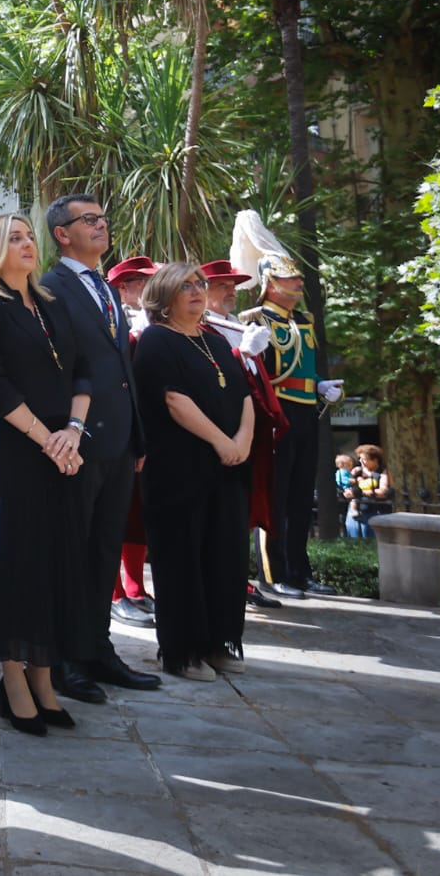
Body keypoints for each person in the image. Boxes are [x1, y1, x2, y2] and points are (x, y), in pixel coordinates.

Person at [0, 214, 91, 735]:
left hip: (62, 445)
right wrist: (48, 439)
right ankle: (12, 680)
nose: (27, 243)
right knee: (14, 560)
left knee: (52, 561)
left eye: (28, 235)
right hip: (11, 445)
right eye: (14, 238)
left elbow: (83, 372)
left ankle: (44, 677)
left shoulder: (51, 305)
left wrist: (73, 432)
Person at [40, 194, 160, 703]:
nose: (101, 225)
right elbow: (57, 367)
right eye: (88, 220)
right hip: (78, 439)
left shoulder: (107, 289)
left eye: (103, 218)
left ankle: (99, 650)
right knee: (72, 550)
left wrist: (137, 434)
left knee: (105, 548)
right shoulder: (50, 286)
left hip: (119, 440)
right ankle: (67, 659)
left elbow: (121, 367)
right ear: (62, 233)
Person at [132, 263, 255, 681]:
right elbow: (173, 400)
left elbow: (245, 397)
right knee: (183, 559)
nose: (197, 291)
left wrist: (242, 442)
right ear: (163, 298)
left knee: (225, 556)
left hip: (228, 469)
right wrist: (222, 442)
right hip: (178, 472)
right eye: (185, 286)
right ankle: (183, 652)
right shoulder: (156, 340)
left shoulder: (216, 342)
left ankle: (218, 642)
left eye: (199, 284)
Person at [232, 211, 344, 598]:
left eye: (297, 278)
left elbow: (305, 368)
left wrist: (321, 387)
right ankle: (273, 572)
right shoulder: (255, 319)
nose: (298, 284)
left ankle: (300, 570)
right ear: (269, 283)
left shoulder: (306, 320)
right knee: (275, 496)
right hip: (276, 415)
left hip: (305, 412)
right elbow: (257, 375)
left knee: (300, 496)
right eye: (290, 279)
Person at [200, 258, 284, 611]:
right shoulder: (201, 327)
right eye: (222, 285)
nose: (231, 291)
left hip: (246, 432)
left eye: (233, 285)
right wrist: (241, 354)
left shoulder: (235, 324)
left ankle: (238, 578)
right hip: (213, 434)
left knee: (242, 511)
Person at [105, 255, 158, 629]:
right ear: (124, 287)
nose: (150, 289)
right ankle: (113, 594)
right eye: (143, 282)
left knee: (136, 511)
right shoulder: (112, 316)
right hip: (111, 426)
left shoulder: (149, 320)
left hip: (143, 427)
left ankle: (136, 587)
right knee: (113, 514)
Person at [347, 445, 390, 538]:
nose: (361, 461)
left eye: (364, 459)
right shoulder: (357, 471)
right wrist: (348, 492)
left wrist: (361, 492)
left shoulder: (382, 473)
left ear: (375, 460)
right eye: (360, 459)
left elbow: (383, 491)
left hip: (374, 511)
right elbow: (349, 485)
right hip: (356, 510)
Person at [334, 454, 359, 535]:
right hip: (346, 488)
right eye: (348, 465)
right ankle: (353, 510)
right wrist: (354, 480)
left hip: (345, 488)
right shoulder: (343, 472)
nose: (350, 467)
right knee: (353, 499)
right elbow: (345, 480)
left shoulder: (340, 472)